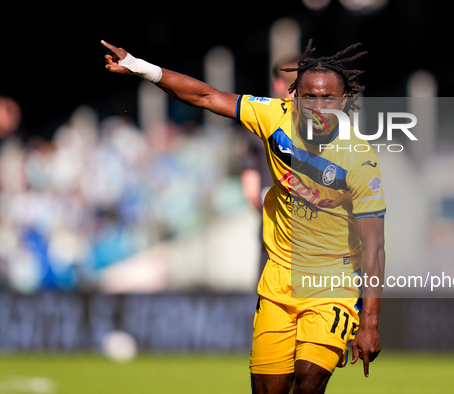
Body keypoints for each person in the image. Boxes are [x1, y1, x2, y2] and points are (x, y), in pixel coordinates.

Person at [102, 38, 386, 394]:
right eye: (309, 97)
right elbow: (206, 96)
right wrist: (141, 67)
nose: (318, 106)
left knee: (310, 379)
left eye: (328, 98)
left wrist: (370, 323)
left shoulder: (360, 158)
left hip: (334, 285)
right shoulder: (274, 116)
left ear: (343, 102)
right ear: (294, 96)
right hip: (278, 282)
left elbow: (374, 245)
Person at [241, 54, 300, 276]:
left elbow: (251, 188)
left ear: (277, 84)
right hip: (320, 240)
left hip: (273, 234)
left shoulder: (260, 122)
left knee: (270, 304)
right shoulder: (327, 124)